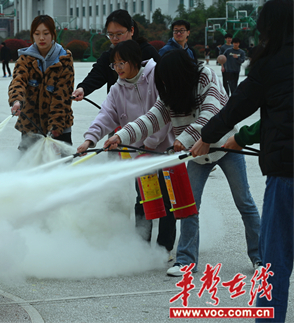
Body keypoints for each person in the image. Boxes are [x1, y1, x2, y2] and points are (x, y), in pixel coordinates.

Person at [104, 49, 262, 278]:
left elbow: (211, 113)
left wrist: (184, 139)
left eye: (167, 79)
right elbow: (151, 118)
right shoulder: (169, 91)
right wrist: (121, 136)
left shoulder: (206, 76)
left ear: (179, 73)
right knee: (188, 207)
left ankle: (260, 258)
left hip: (225, 146)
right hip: (196, 155)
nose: (164, 84)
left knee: (244, 202)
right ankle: (186, 261)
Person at [190, 0, 293, 323]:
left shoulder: (270, 62)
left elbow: (236, 108)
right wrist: (241, 138)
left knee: (274, 260)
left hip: (287, 176)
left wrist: (206, 138)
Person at [76, 40, 176, 257]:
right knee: (144, 199)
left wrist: (150, 144)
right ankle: (141, 246)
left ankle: (164, 248)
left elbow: (164, 115)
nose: (118, 68)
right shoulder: (116, 89)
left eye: (122, 63)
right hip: (139, 153)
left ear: (134, 61)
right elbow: (105, 116)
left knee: (167, 199)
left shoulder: (156, 77)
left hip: (163, 152)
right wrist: (90, 140)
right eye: (115, 64)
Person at [8, 15, 74, 150]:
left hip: (59, 125)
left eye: (46, 33)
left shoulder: (64, 59)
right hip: (30, 124)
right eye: (37, 34)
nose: (41, 38)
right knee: (29, 165)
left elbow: (62, 95)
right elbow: (18, 81)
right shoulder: (25, 59)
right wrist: (16, 101)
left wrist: (56, 126)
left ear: (53, 34)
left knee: (62, 166)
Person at [72, 9, 160, 100]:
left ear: (131, 30)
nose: (114, 38)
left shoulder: (147, 52)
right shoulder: (108, 56)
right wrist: (83, 89)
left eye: (119, 34)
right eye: (110, 34)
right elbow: (97, 74)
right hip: (120, 108)